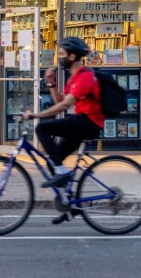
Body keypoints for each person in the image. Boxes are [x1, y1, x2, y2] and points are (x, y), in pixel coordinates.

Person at [22, 36, 104, 203]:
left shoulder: (84, 76)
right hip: (80, 120)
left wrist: (37, 116)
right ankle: (68, 202)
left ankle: (62, 172)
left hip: (89, 122)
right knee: (53, 162)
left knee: (42, 129)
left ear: (72, 57)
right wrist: (51, 83)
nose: (59, 57)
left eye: (61, 53)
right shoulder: (74, 76)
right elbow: (60, 101)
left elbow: (64, 106)